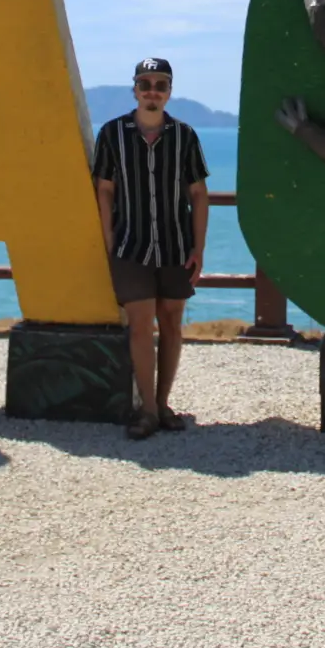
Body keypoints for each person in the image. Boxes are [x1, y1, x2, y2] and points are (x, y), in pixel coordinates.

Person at [91, 57, 211, 441]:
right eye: (145, 84)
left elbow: (198, 193)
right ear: (135, 89)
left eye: (160, 84)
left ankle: (163, 404)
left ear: (169, 91)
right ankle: (147, 410)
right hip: (131, 245)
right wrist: (109, 238)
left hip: (176, 245)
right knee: (141, 327)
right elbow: (105, 189)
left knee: (172, 323)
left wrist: (199, 248)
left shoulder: (185, 136)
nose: (152, 91)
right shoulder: (112, 134)